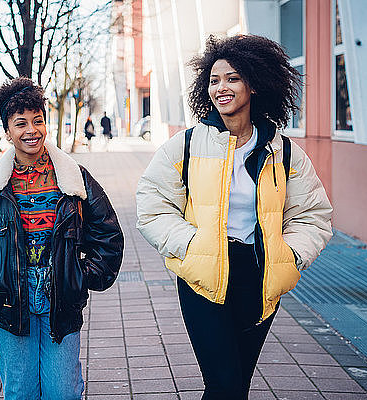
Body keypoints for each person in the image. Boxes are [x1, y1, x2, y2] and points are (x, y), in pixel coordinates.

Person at [136, 35, 333, 399]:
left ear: (255, 85)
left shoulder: (284, 151)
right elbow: (152, 204)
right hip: (203, 276)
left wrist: (290, 256)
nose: (220, 87)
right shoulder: (188, 144)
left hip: (259, 277)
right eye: (214, 80)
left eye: (232, 78)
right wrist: (189, 245)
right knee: (224, 384)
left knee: (236, 385)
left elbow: (313, 215)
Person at [0, 77, 124, 400]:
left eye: (38, 120)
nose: (31, 130)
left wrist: (81, 276)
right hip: (10, 298)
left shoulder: (74, 177)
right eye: (21, 123)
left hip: (61, 294)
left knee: (64, 392)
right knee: (21, 392)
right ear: (7, 131)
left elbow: (109, 235)